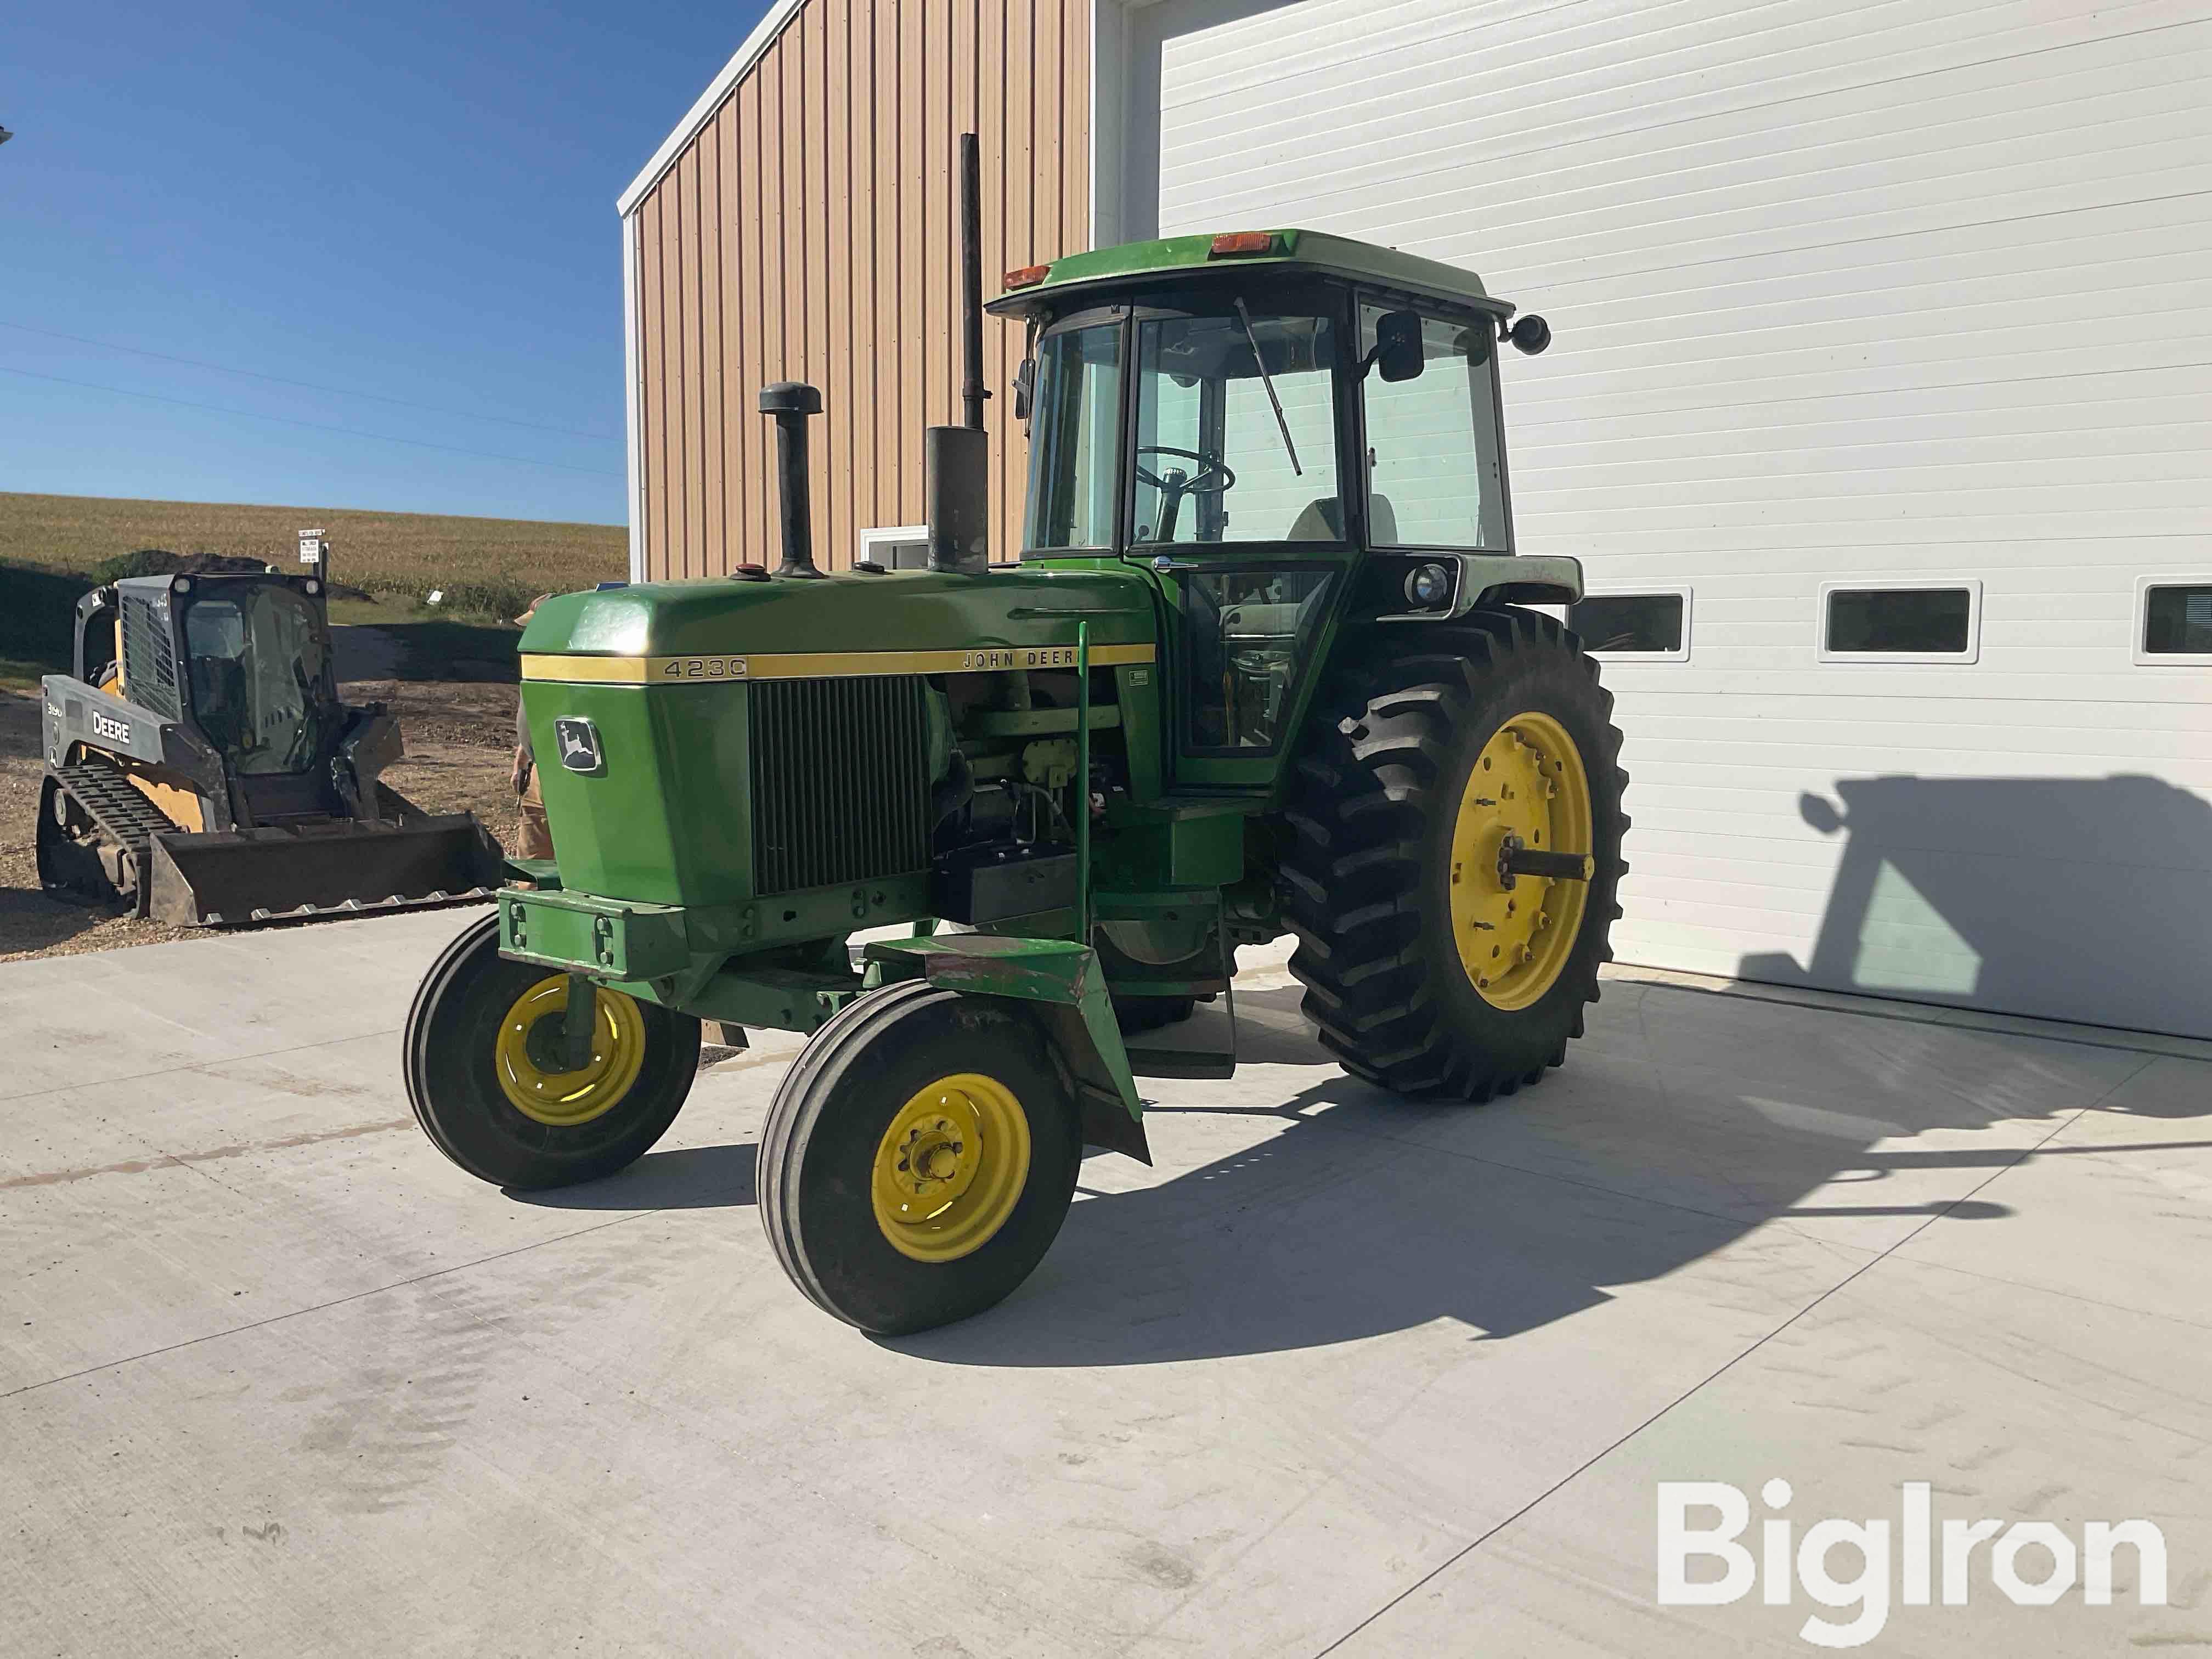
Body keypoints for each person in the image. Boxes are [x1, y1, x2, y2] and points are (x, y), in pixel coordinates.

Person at [512, 594, 556, 859]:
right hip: (537, 770)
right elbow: (531, 720)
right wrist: (521, 762)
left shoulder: (570, 668)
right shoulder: (536, 665)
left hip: (565, 771)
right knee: (531, 849)